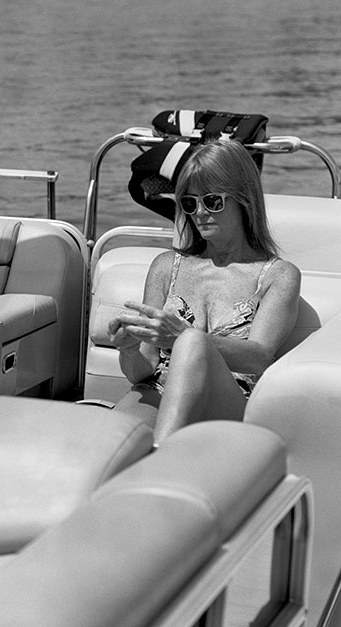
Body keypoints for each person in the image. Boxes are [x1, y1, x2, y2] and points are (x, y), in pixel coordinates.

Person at [107, 138, 301, 445]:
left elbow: (260, 357)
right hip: (157, 388)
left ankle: (161, 457)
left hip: (229, 398)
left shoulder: (278, 275)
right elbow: (143, 370)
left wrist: (183, 338)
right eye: (189, 203)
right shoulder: (165, 267)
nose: (199, 212)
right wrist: (128, 349)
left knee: (192, 342)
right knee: (108, 447)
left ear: (244, 200)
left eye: (213, 201)